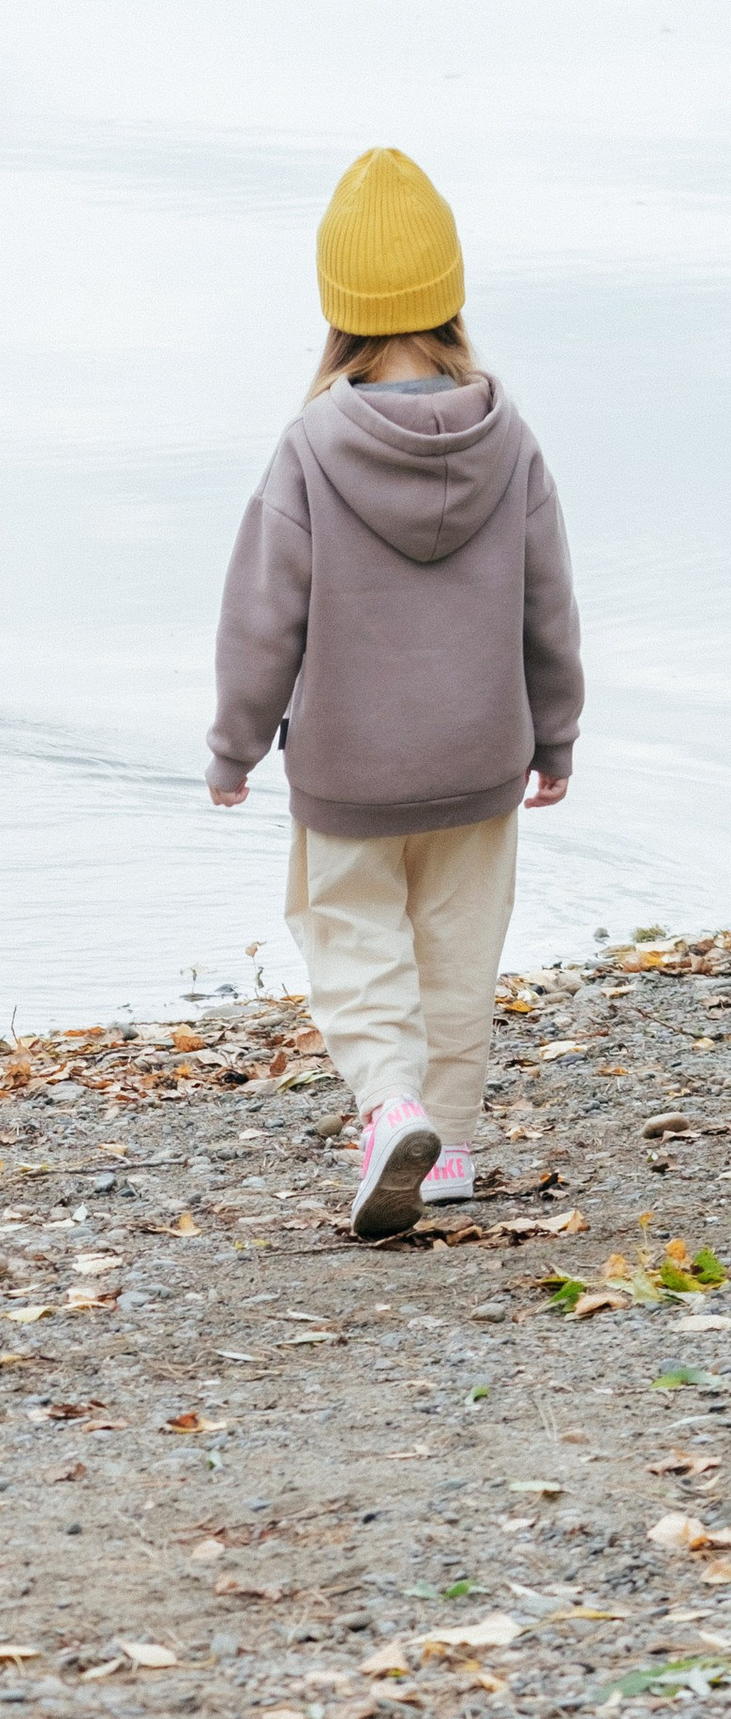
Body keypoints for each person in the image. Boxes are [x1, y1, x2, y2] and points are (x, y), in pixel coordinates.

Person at [207, 146, 584, 1239]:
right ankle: (451, 1148)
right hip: (478, 756)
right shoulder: (506, 437)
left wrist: (233, 747)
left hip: (349, 761)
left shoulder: (312, 448)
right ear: (449, 294)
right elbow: (547, 603)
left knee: (351, 933)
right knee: (460, 943)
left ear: (338, 307)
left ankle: (392, 1110)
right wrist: (553, 736)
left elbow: (260, 613)